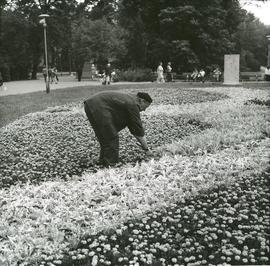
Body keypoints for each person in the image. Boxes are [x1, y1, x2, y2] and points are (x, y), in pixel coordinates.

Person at [84, 91, 153, 167]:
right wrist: (146, 149)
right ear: (142, 101)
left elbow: (133, 127)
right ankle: (111, 165)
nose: (144, 110)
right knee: (112, 138)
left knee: (105, 138)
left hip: (90, 104)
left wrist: (144, 146)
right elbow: (138, 130)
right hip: (99, 106)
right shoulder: (133, 105)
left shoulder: (131, 100)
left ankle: (103, 163)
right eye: (145, 107)